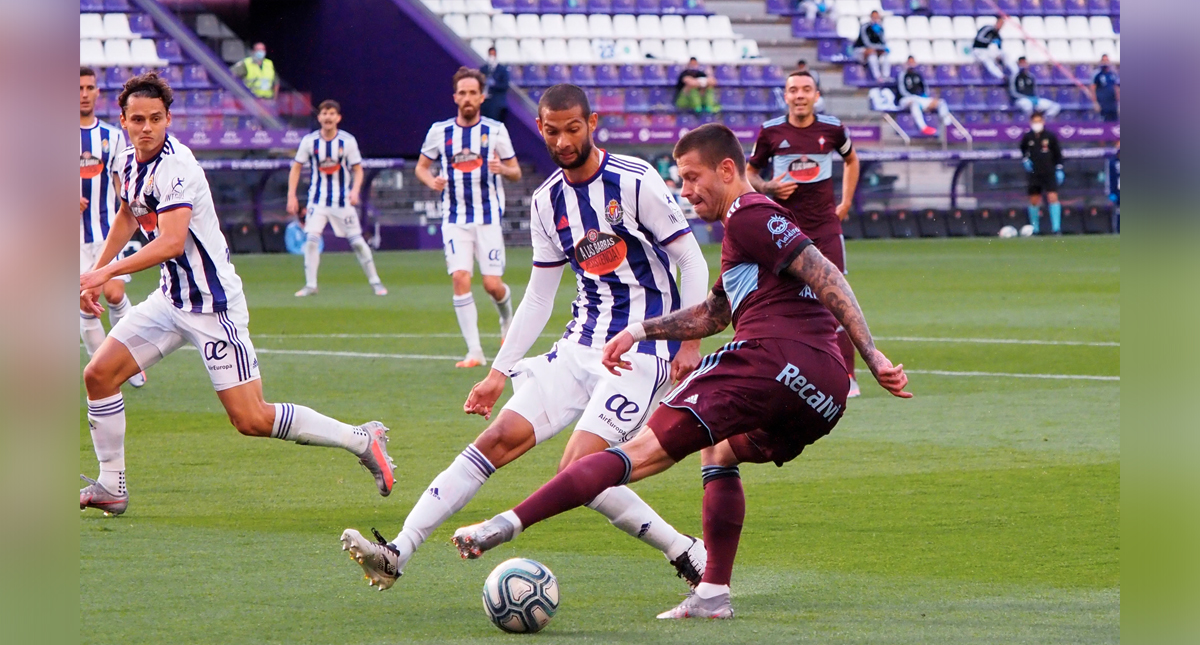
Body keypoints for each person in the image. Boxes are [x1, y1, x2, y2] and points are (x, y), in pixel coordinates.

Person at [448, 123, 911, 620]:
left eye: (692, 179)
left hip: (771, 359)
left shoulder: (751, 214)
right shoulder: (744, 234)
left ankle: (504, 524)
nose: (685, 192)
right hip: (824, 392)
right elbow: (713, 313)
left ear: (728, 170)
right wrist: (639, 332)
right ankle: (712, 594)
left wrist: (873, 352)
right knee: (721, 449)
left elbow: (825, 272)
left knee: (637, 451)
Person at [339, 84, 712, 592]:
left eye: (573, 129)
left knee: (580, 467)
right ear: (539, 129)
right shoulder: (546, 201)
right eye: (552, 131)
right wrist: (498, 372)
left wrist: (687, 341)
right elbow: (538, 297)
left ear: (593, 123)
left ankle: (686, 551)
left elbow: (690, 258)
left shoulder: (635, 180)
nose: (562, 140)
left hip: (643, 350)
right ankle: (396, 552)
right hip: (579, 344)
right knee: (493, 441)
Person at [79, 72, 395, 516]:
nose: (146, 127)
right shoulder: (127, 161)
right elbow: (129, 216)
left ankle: (361, 439)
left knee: (251, 419)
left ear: (169, 118)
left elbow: (170, 242)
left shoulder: (178, 167)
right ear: (125, 120)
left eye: (155, 118)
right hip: (171, 301)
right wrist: (94, 272)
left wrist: (104, 272)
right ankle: (112, 485)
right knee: (98, 375)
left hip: (214, 307)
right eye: (137, 119)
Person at [746, 71, 863, 398]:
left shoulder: (832, 128)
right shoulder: (770, 132)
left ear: (815, 95)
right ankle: (780, 371)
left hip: (825, 229)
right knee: (780, 299)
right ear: (785, 96)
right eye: (793, 90)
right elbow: (750, 172)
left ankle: (848, 377)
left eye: (806, 89)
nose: (799, 95)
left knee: (837, 297)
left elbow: (852, 160)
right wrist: (768, 187)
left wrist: (847, 200)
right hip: (784, 229)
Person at [415, 67, 522, 368]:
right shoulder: (440, 132)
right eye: (462, 93)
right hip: (454, 218)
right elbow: (422, 167)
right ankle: (474, 351)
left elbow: (516, 172)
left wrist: (504, 169)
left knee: (492, 285)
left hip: (488, 218)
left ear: (482, 96)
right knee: (460, 277)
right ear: (455, 97)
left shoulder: (496, 131)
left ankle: (506, 317)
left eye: (473, 92)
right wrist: (430, 180)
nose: (467, 98)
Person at [79, 67, 145, 389]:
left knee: (115, 293)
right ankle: (103, 369)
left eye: (90, 87)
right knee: (86, 303)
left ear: (97, 93)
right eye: (79, 88)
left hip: (107, 230)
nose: (84, 93)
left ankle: (130, 360)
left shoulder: (113, 136)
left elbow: (125, 183)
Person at [286, 100, 386, 297]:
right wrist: (291, 196)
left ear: (338, 118)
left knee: (357, 242)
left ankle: (375, 282)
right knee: (312, 239)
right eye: (324, 113)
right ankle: (311, 285)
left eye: (332, 113)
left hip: (342, 201)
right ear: (319, 117)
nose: (328, 117)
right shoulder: (309, 142)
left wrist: (355, 190)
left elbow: (358, 170)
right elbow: (296, 167)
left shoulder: (347, 142)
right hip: (318, 201)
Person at [1019, 112, 1065, 235]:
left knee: (1053, 197)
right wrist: (1025, 160)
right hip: (1034, 173)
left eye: (1039, 121)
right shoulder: (1028, 137)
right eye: (1035, 121)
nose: (1037, 124)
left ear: (1043, 122)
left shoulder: (1050, 136)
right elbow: (1023, 150)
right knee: (1034, 200)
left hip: (1049, 171)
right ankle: (1035, 228)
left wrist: (1059, 169)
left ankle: (1056, 228)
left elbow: (1058, 154)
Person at [897, 56, 952, 136]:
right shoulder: (902, 75)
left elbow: (924, 88)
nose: (911, 64)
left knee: (941, 102)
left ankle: (947, 126)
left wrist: (924, 98)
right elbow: (902, 90)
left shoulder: (918, 75)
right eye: (910, 62)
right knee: (914, 103)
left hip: (919, 98)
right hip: (905, 99)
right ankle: (923, 127)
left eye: (913, 62)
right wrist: (914, 97)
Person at [853, 11, 889, 82]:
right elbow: (866, 42)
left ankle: (886, 76)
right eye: (874, 17)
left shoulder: (880, 28)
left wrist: (880, 48)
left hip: (874, 50)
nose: (876, 19)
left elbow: (883, 42)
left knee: (885, 55)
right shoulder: (865, 27)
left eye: (877, 17)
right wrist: (876, 48)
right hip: (861, 49)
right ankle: (877, 76)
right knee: (872, 56)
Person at [972, 15, 1008, 80]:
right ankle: (1001, 76)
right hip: (978, 50)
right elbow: (979, 38)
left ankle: (1013, 74)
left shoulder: (997, 35)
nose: (1001, 26)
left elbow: (999, 47)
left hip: (987, 51)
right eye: (1000, 23)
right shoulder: (988, 29)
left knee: (1004, 55)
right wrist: (989, 41)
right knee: (988, 61)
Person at [480, 47, 511, 122]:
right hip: (484, 102)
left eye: (493, 54)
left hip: (496, 103)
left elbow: (505, 85)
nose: (492, 57)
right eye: (490, 54)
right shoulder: (483, 69)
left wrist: (494, 84)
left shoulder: (502, 70)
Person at [1091, 54, 1119, 122]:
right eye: (1103, 60)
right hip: (1102, 103)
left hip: (1112, 103)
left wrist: (1118, 102)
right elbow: (1093, 89)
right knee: (1103, 123)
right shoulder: (1097, 74)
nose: (1105, 62)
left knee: (1114, 123)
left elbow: (1116, 88)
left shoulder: (1113, 74)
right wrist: (1095, 103)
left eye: (1106, 60)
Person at [1107, 142, 1119, 233]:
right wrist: (1111, 192)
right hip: (1117, 190)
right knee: (1118, 211)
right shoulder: (1112, 162)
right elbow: (1110, 178)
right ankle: (1117, 230)